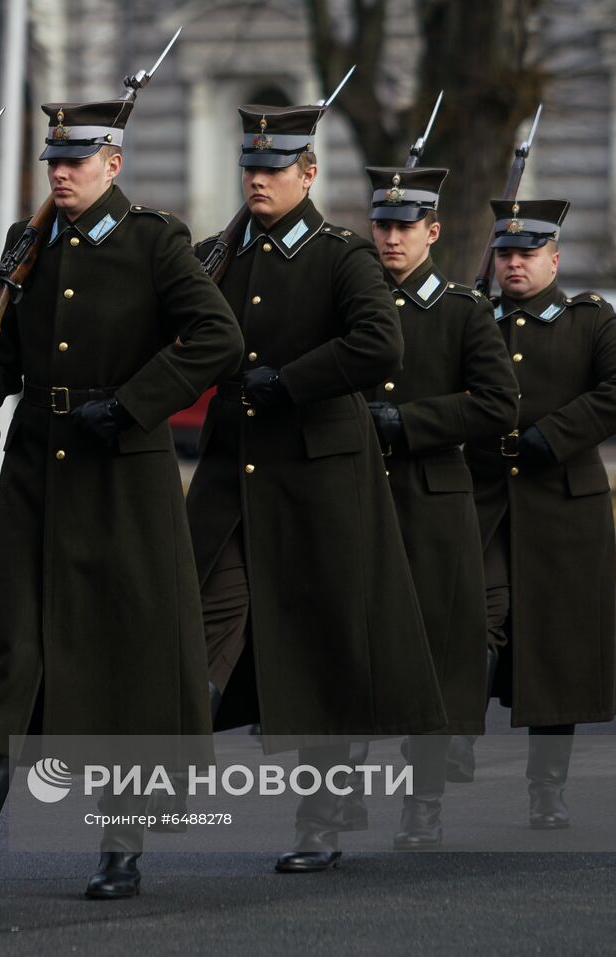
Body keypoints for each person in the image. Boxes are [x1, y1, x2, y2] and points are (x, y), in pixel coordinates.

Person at [0, 97, 244, 899]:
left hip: (124, 472)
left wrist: (136, 401)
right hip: (41, 469)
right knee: (11, 637)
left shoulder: (156, 239)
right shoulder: (28, 242)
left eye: (77, 160)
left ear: (112, 163)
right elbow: (3, 357)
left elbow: (217, 336)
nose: (63, 173)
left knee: (127, 652)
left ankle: (123, 839)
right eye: (54, 161)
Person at [187, 102, 446, 873]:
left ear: (307, 173)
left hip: (319, 476)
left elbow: (377, 342)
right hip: (234, 477)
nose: (258, 180)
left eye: (273, 169)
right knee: (192, 619)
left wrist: (290, 383)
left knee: (326, 643)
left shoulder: (342, 256)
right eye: (251, 168)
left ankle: (322, 819)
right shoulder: (217, 254)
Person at [466, 198, 616, 829]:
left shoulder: (589, 321)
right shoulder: (473, 317)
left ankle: (547, 788)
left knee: (556, 650)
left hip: (564, 510)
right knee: (473, 625)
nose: (514, 264)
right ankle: (447, 762)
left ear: (554, 257)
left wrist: (557, 433)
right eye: (506, 253)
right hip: (485, 500)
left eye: (527, 253)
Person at [360, 165, 519, 847]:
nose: (392, 239)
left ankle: (422, 800)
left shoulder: (462, 310)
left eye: (405, 227)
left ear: (432, 231)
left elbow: (498, 401)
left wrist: (409, 423)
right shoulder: (353, 302)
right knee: (351, 649)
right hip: (362, 500)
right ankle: (332, 803)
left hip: (431, 502)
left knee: (432, 655)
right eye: (383, 226)